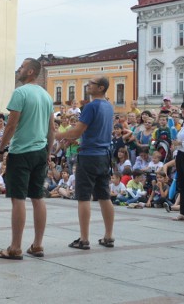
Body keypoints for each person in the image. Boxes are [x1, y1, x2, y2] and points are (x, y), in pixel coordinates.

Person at [0, 58, 55, 259]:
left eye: (21, 67)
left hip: (21, 151)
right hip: (40, 150)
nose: (18, 69)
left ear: (29, 72)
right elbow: (51, 128)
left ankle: (15, 247)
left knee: (18, 198)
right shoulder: (46, 95)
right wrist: (48, 152)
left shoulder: (20, 93)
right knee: (38, 197)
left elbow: (11, 126)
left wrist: (1, 150)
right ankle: (37, 245)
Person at [53, 75, 114, 250]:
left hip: (89, 155)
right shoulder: (108, 106)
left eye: (92, 84)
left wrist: (59, 135)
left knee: (83, 196)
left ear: (101, 88)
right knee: (104, 196)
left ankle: (84, 238)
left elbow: (78, 130)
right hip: (104, 155)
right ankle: (109, 236)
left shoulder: (91, 106)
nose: (88, 85)